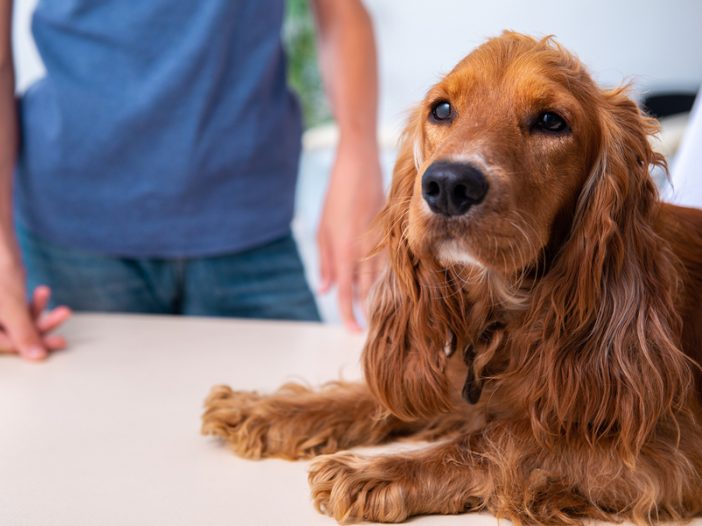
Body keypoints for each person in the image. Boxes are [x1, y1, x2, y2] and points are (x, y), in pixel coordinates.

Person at [0, 0, 384, 361]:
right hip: (71, 235)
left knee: (312, 415)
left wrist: (358, 150)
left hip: (250, 223)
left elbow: (341, 11)